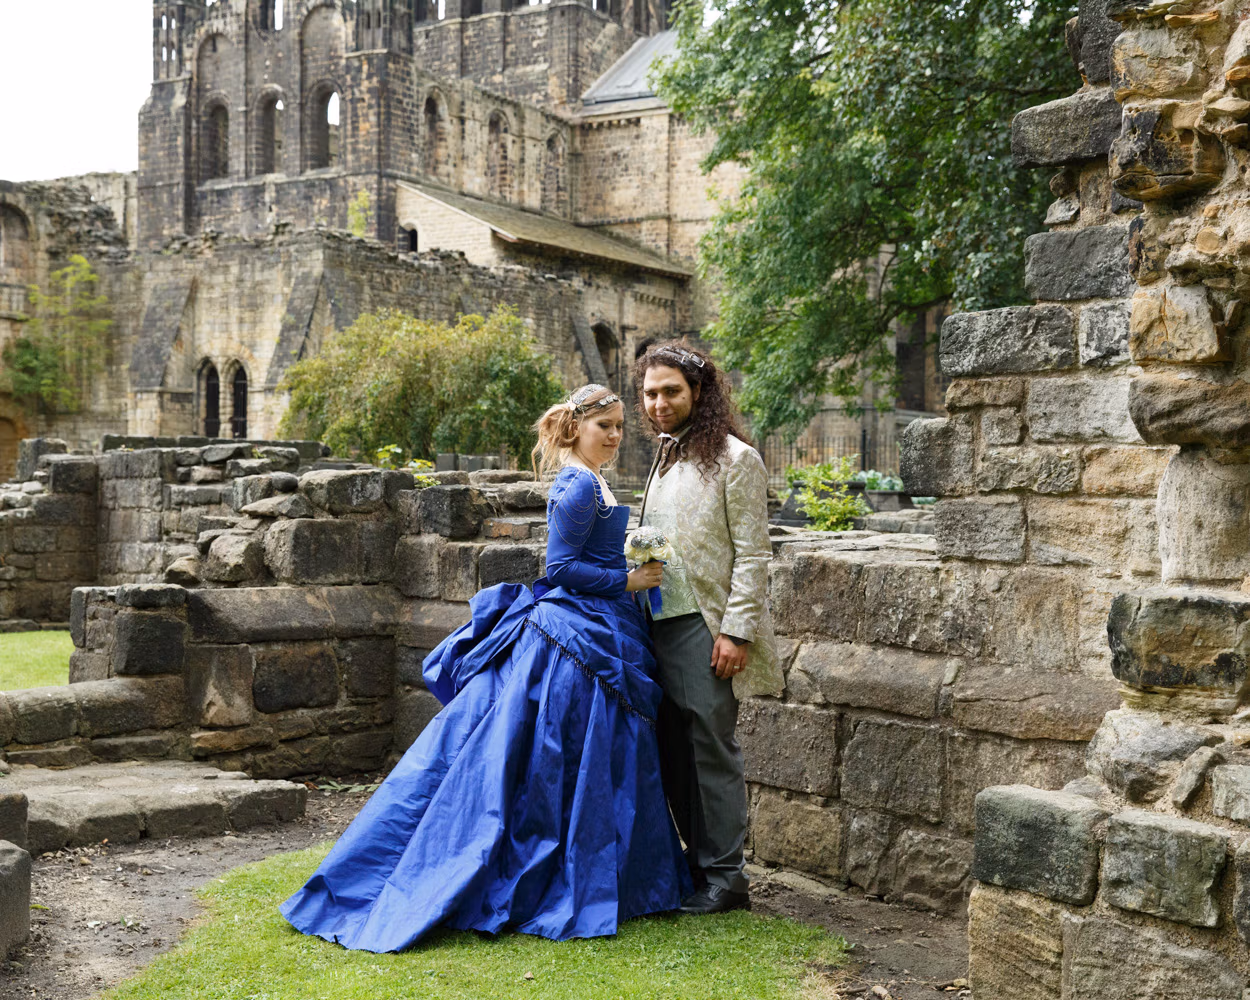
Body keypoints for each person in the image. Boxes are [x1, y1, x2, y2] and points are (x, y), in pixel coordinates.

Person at [280, 384, 691, 952]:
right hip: (579, 628)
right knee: (548, 753)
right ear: (577, 428)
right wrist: (627, 579)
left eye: (620, 426)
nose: (616, 436)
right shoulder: (577, 484)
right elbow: (560, 568)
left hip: (600, 624)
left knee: (578, 753)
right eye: (606, 427)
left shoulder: (590, 477)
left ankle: (603, 868)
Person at [634, 342, 783, 916]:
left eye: (671, 391)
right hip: (656, 623)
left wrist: (736, 632)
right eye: (650, 393)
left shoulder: (736, 458)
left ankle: (727, 878)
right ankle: (697, 866)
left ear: (699, 392)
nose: (659, 403)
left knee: (711, 753)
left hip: (706, 625)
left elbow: (754, 554)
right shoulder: (665, 456)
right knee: (674, 752)